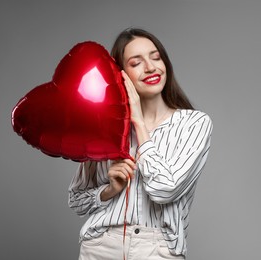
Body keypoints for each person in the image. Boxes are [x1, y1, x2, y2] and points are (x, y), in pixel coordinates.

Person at [68, 28, 213, 260]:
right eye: (136, 63)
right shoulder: (106, 129)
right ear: (121, 74)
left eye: (156, 57)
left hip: (156, 248)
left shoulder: (194, 123)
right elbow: (76, 201)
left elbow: (164, 189)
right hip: (100, 246)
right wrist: (109, 190)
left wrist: (138, 122)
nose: (150, 67)